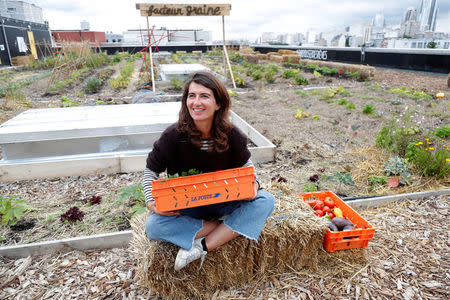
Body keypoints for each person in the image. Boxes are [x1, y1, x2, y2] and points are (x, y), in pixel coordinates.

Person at [143, 71, 275, 271]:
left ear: (218, 103)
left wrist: (253, 185)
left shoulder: (233, 136)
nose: (196, 102)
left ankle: (201, 247)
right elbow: (150, 172)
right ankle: (228, 228)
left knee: (266, 201)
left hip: (226, 203)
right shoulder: (173, 136)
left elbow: (247, 167)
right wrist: (152, 203)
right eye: (191, 95)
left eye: (204, 96)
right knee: (153, 226)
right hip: (189, 208)